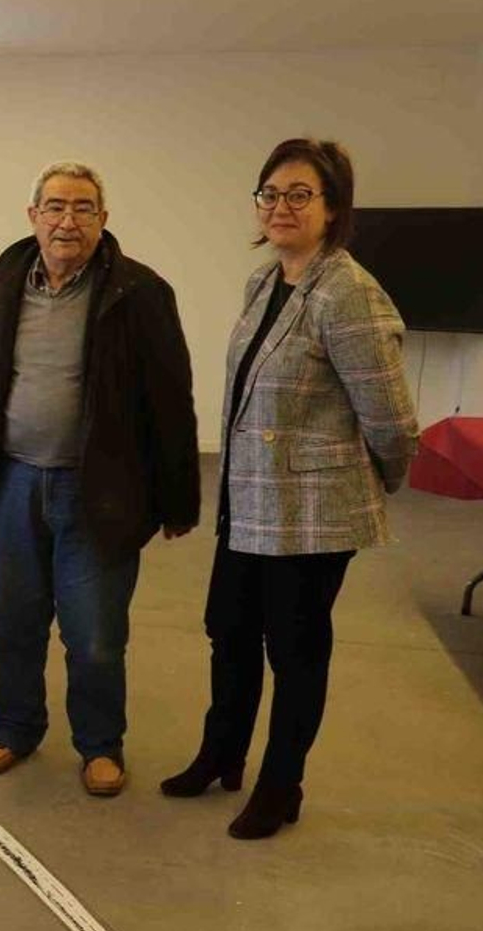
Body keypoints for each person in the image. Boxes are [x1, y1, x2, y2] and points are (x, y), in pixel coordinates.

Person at [160, 139, 418, 838]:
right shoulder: (265, 281)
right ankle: (222, 755)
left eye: (300, 194)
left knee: (295, 651)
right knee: (231, 633)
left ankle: (282, 786)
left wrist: (379, 481)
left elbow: (391, 417)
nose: (280, 207)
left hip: (313, 513)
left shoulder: (350, 292)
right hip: (247, 501)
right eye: (270, 193)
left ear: (333, 208)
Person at [0, 161, 199, 797]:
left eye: (83, 208)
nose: (67, 220)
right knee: (12, 625)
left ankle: (100, 745)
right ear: (33, 216)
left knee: (96, 635)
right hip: (16, 483)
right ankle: (14, 727)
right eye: (54, 206)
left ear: (104, 220)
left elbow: (170, 399)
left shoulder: (138, 292)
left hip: (99, 490)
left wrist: (178, 496)